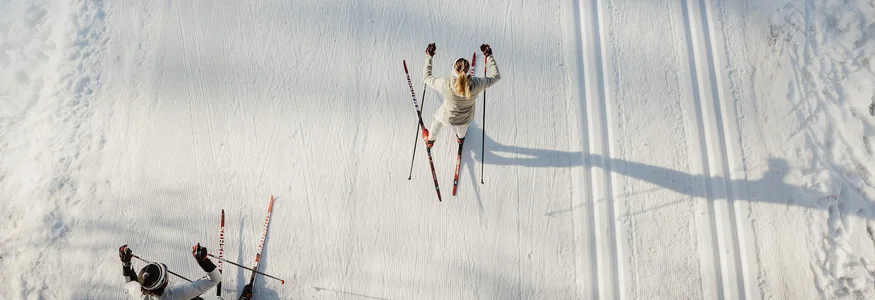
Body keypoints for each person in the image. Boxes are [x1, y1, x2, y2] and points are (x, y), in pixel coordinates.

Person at [421, 43, 501, 148]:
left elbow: (427, 77)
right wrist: (489, 56)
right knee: (463, 127)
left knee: (437, 120)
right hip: (466, 118)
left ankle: (430, 140)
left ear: (453, 71)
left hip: (448, 118)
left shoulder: (446, 84)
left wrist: (429, 56)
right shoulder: (477, 84)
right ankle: (460, 138)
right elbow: (496, 76)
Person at [119, 244, 222, 300]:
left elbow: (129, 283)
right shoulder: (179, 294)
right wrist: (203, 261)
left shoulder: (140, 294)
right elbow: (216, 279)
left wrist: (126, 263)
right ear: (164, 281)